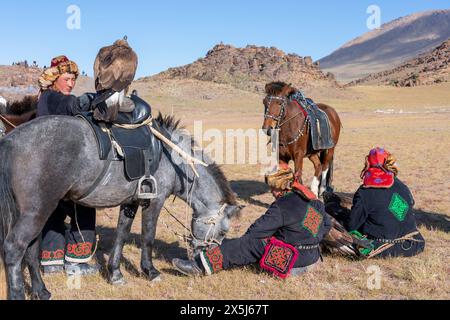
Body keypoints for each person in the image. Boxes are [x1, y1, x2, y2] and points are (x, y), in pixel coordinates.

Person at [172, 165, 332, 278]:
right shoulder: (313, 200)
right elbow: (326, 225)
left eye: (273, 188)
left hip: (292, 262)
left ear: (281, 187)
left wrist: (237, 245)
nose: (272, 191)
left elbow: (256, 231)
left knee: (248, 244)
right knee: (250, 242)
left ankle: (199, 266)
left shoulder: (282, 206)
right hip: (312, 257)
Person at [37, 55, 99, 276]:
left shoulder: (43, 99)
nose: (71, 83)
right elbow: (70, 104)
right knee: (84, 208)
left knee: (52, 214)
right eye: (67, 78)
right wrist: (91, 99)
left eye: (73, 79)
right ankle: (76, 263)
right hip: (63, 171)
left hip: (46, 171)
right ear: (54, 79)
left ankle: (51, 262)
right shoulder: (53, 98)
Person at [331, 147, 425, 258]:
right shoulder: (401, 186)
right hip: (412, 243)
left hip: (385, 246)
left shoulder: (365, 192)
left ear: (367, 164)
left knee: (333, 211)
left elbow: (352, 226)